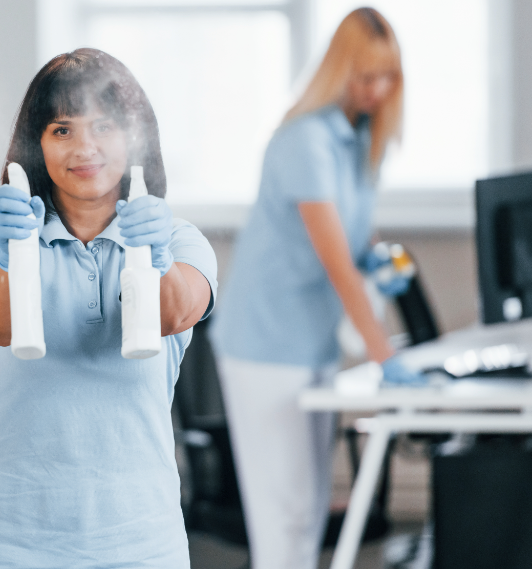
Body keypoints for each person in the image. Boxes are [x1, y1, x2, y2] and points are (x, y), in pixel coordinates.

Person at [0, 48, 217, 568]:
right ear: (35, 146)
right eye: (61, 130)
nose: (84, 147)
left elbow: (176, 313)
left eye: (103, 126)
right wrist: (10, 254)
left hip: (136, 541)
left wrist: (156, 258)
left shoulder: (181, 242)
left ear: (135, 136)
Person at [210, 8, 423, 569]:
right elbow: (335, 262)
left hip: (312, 341)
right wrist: (383, 356)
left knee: (307, 512)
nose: (376, 90)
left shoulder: (356, 140)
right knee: (283, 520)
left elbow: (353, 238)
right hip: (265, 345)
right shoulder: (305, 139)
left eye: (387, 77)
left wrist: (377, 258)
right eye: (365, 76)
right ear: (340, 70)